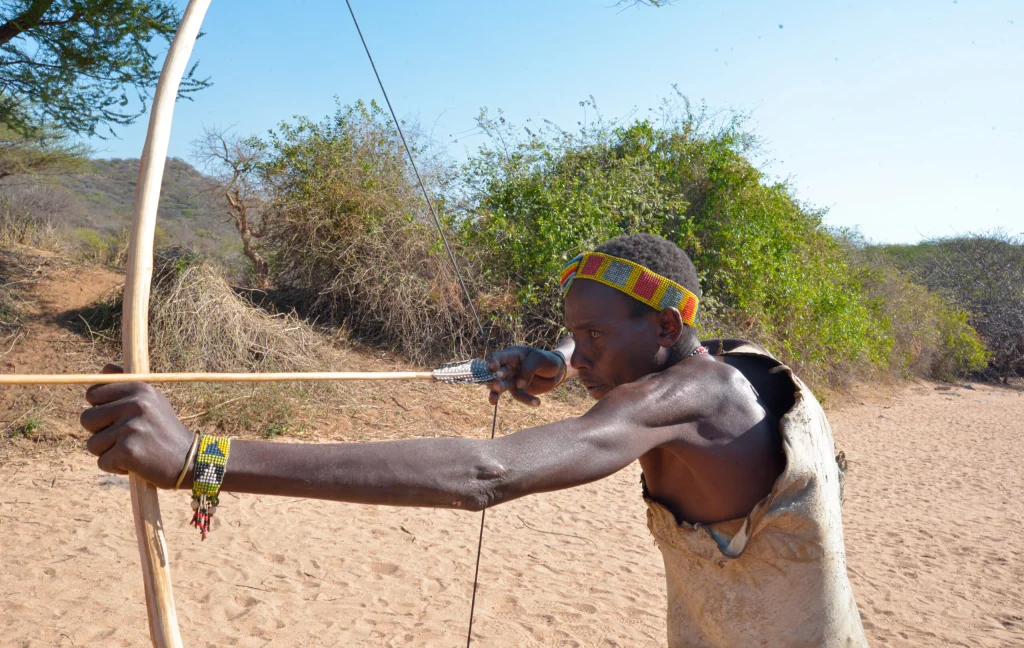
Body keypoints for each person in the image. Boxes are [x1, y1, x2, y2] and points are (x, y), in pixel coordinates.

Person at [80, 233, 867, 646]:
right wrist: (560, 359)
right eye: (573, 333)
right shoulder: (731, 364)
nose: (582, 351)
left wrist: (200, 460)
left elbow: (486, 472)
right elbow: (672, 351)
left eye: (593, 334)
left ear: (665, 328)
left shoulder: (689, 396)